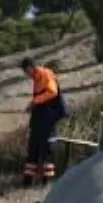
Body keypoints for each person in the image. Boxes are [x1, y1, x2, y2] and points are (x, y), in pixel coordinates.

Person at [19, 57, 66, 187]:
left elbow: (52, 92)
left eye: (26, 72)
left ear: (30, 68)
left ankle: (47, 181)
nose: (26, 75)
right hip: (40, 117)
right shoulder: (37, 77)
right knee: (33, 146)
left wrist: (35, 102)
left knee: (47, 148)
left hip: (49, 117)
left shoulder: (45, 74)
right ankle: (28, 180)